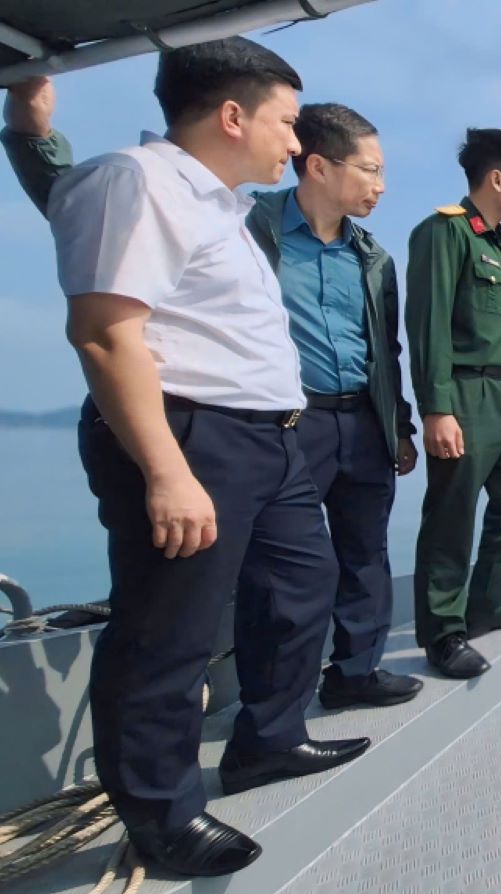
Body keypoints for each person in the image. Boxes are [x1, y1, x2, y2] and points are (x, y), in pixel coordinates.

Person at [12, 38, 369, 877]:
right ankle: (162, 817)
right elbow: (105, 335)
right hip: (191, 436)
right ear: (233, 114)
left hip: (267, 438)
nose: (294, 143)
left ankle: (268, 740)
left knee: (301, 585)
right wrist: (167, 470)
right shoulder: (133, 183)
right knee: (168, 627)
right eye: (286, 125)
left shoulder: (221, 208)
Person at [5, 89, 424, 710]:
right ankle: (265, 703)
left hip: (361, 420)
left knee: (361, 553)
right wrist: (33, 133)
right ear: (320, 165)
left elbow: (384, 351)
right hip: (286, 419)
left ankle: (354, 672)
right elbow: (82, 202)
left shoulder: (374, 258)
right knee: (271, 575)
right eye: (372, 169)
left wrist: (401, 426)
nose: (382, 186)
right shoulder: (244, 222)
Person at [405, 128, 501, 679]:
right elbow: (429, 325)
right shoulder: (446, 232)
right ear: (496, 178)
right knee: (452, 513)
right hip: (464, 393)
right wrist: (435, 409)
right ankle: (442, 634)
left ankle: (488, 605)